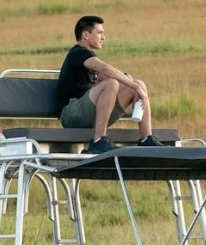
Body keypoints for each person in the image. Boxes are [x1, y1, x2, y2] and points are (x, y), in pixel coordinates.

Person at [55, 15, 164, 154]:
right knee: (112, 83)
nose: (103, 37)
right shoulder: (78, 53)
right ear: (86, 35)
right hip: (72, 115)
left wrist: (132, 83)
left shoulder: (87, 61)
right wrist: (132, 85)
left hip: (89, 114)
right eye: (100, 33)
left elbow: (108, 75)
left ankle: (146, 139)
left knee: (138, 83)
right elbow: (105, 69)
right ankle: (98, 140)